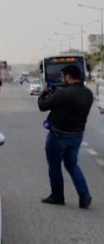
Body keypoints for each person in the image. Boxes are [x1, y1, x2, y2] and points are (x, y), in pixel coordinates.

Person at [38, 65, 93, 209]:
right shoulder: (88, 93)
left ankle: (57, 196)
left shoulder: (63, 93)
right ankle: (84, 195)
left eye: (63, 77)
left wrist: (44, 93)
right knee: (72, 165)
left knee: (54, 166)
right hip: (77, 135)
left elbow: (43, 106)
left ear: (68, 76)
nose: (63, 79)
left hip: (58, 135)